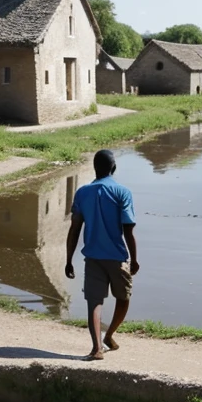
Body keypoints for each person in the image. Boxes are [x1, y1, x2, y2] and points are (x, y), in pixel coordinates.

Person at [65, 148, 139, 360]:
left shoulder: (82, 193)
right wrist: (134, 259)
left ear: (94, 168)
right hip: (117, 257)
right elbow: (128, 230)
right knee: (123, 298)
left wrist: (68, 259)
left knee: (94, 303)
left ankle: (97, 348)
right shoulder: (123, 192)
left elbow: (74, 229)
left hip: (93, 258)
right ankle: (110, 335)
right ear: (113, 168)